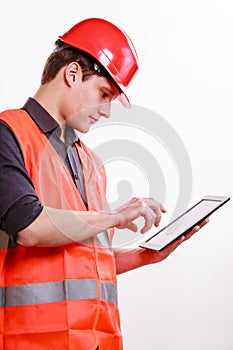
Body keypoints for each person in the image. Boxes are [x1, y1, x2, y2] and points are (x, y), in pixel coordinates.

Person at [0, 17, 208, 350]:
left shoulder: (90, 163)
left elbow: (87, 259)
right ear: (71, 74)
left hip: (96, 341)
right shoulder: (8, 134)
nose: (107, 111)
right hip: (31, 341)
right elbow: (28, 226)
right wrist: (116, 215)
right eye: (104, 93)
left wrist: (144, 256)